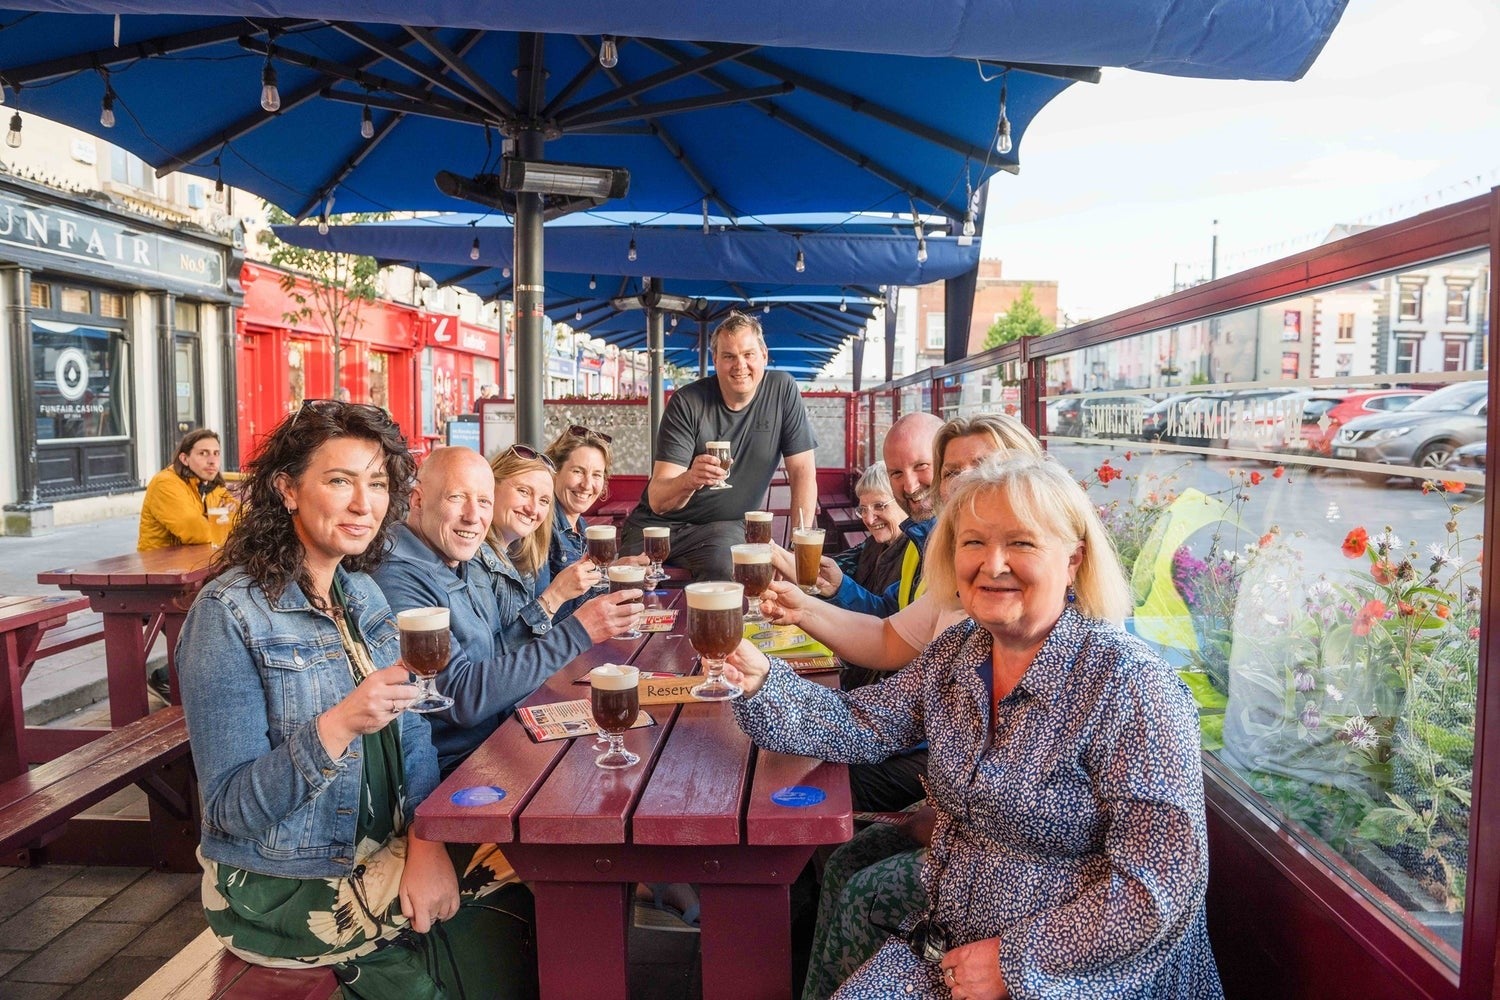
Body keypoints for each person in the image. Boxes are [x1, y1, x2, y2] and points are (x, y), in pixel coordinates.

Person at [726, 455, 1223, 999]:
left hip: (1087, 977)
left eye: (1022, 543)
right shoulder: (959, 655)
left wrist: (1014, 963)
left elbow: (1162, 886)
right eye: (973, 543)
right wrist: (760, 680)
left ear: (1074, 560)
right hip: (953, 948)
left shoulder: (1130, 687)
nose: (993, 564)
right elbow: (859, 724)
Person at [175, 400, 538, 997]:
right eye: (339, 480)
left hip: (387, 846)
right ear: (287, 488)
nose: (363, 504)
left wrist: (426, 840)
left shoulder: (362, 593)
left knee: (526, 874)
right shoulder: (228, 614)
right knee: (511, 889)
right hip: (284, 883)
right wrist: (339, 724)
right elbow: (228, 810)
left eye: (376, 483)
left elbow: (416, 731)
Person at [372, 445, 639, 773]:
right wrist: (578, 631)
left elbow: (492, 658)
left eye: (483, 501)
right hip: (460, 767)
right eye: (457, 497)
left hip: (500, 736)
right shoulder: (398, 575)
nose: (473, 516)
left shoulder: (458, 558)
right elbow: (461, 698)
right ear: (417, 500)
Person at [620, 311, 817, 580]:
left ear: (764, 356)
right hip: (656, 527)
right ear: (715, 360)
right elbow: (658, 499)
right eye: (729, 356)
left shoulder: (782, 390)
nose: (740, 365)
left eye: (748, 354)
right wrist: (690, 479)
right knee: (627, 586)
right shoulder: (688, 402)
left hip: (721, 528)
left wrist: (797, 548)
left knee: (732, 570)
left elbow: (802, 471)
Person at [138, 428, 237, 551]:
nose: (212, 461)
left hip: (199, 558)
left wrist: (219, 523)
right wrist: (222, 522)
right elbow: (195, 531)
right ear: (184, 459)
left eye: (216, 453)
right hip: (160, 565)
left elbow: (244, 518)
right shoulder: (165, 483)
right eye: (203, 453)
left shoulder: (212, 485)